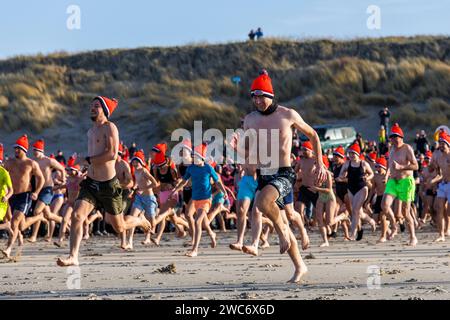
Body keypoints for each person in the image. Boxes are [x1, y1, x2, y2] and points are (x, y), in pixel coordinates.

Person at [238, 70, 327, 283]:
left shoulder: (288, 115)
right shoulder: (250, 119)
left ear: (271, 95)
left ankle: (281, 233)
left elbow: (313, 135)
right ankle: (299, 266)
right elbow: (247, 148)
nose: (258, 100)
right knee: (279, 217)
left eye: (261, 95)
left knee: (261, 203)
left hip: (284, 173)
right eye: (254, 96)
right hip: (265, 173)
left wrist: (320, 162)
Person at [56, 96, 151, 267]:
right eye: (91, 105)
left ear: (105, 110)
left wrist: (87, 160)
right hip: (91, 182)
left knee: (119, 227)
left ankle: (139, 220)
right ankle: (73, 256)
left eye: (97, 106)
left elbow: (112, 154)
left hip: (109, 185)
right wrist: (85, 169)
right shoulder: (90, 131)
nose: (92, 108)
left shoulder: (110, 127)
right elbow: (94, 156)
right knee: (77, 216)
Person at [170, 143, 228, 257]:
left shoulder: (208, 168)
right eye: (193, 157)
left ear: (202, 158)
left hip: (206, 199)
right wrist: (176, 189)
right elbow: (184, 181)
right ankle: (212, 234)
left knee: (197, 222)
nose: (194, 159)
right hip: (195, 198)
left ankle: (195, 249)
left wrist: (225, 192)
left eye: (196, 157)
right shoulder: (191, 168)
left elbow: (218, 182)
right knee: (203, 221)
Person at [2, 135, 46, 259]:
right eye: (15, 148)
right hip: (11, 196)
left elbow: (41, 179)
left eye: (18, 149)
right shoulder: (9, 162)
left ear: (24, 150)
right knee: (20, 226)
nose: (15, 150)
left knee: (14, 223)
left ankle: (8, 249)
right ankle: (39, 217)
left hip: (24, 196)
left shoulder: (31, 163)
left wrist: (36, 192)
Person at [378, 123, 419, 246]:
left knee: (405, 212)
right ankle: (394, 226)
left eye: (396, 137)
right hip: (393, 182)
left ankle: (413, 237)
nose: (393, 139)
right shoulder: (392, 149)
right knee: (384, 205)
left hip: (406, 181)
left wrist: (401, 167)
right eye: (392, 137)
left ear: (401, 137)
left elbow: (416, 166)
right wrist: (386, 176)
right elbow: (389, 166)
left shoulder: (407, 148)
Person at [28, 139, 65, 243]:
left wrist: (63, 180)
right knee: (48, 215)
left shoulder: (48, 160)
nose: (35, 152)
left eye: (37, 150)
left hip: (48, 190)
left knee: (36, 211)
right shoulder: (33, 162)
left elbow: (62, 169)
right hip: (38, 190)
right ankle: (65, 221)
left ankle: (34, 236)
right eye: (34, 150)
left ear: (42, 151)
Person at [337, 143, 376, 240]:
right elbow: (342, 174)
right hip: (351, 188)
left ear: (358, 154)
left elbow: (372, 174)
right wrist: (340, 178)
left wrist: (367, 178)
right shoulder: (347, 164)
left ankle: (353, 233)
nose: (351, 156)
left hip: (362, 188)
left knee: (354, 210)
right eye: (350, 154)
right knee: (359, 213)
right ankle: (371, 221)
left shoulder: (363, 164)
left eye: (353, 154)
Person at [429, 132, 450, 242]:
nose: (441, 145)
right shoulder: (439, 157)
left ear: (448, 144)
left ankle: (448, 228)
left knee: (449, 211)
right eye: (440, 143)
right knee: (438, 208)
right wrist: (433, 181)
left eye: (443, 143)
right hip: (443, 185)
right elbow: (438, 173)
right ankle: (441, 234)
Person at [0, 144, 13, 236]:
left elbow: (11, 190)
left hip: (2, 202)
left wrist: (6, 197)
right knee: (9, 217)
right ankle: (10, 228)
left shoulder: (4, 173)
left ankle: (7, 225)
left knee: (10, 217)